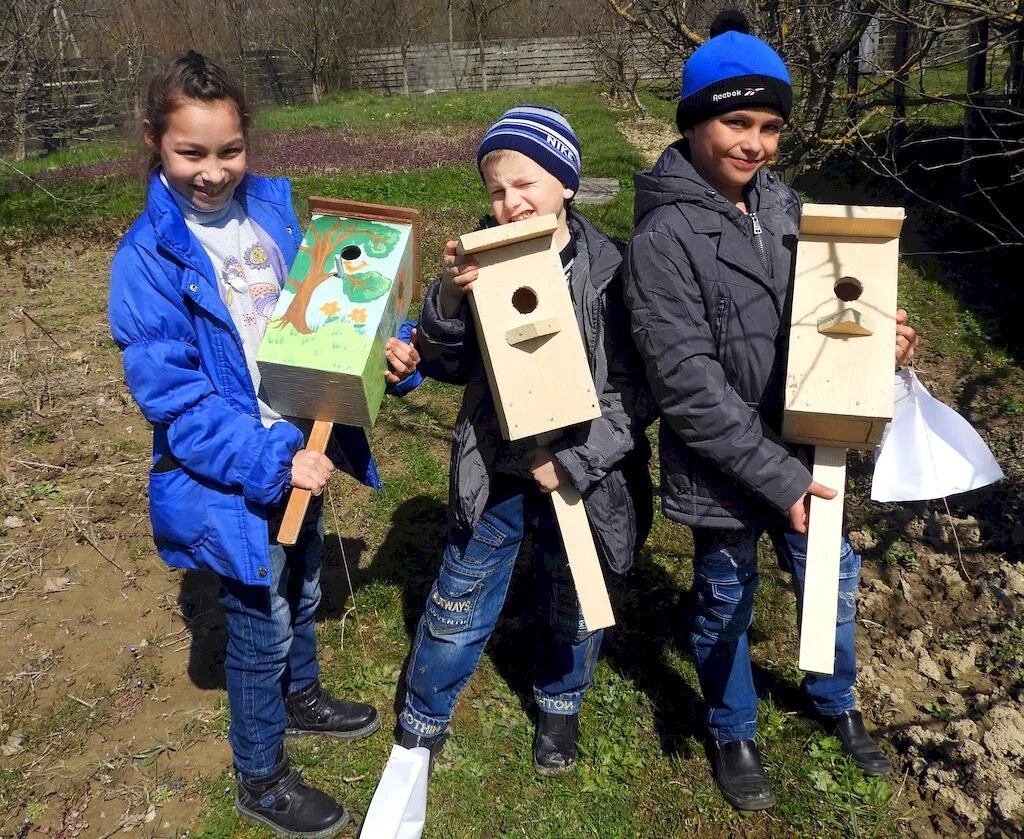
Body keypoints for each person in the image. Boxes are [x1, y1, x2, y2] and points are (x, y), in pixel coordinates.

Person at [107, 51, 420, 838]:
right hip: (231, 474)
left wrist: (386, 356)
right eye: (190, 152)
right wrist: (270, 461)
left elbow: (335, 310)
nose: (213, 172)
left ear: (249, 140)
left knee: (306, 581)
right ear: (153, 140)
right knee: (258, 623)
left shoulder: (277, 216)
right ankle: (262, 773)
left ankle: (301, 694)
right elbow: (176, 405)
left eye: (229, 150)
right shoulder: (147, 262)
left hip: (298, 448)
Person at [622, 13, 919, 811]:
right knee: (725, 594)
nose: (755, 143)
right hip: (723, 463)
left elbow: (831, 307)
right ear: (693, 124)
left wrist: (875, 334)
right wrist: (774, 478)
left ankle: (836, 700)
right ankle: (731, 723)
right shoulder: (663, 238)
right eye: (736, 122)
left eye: (771, 127)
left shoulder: (788, 208)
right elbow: (688, 386)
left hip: (806, 439)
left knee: (832, 576)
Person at [396, 106, 653, 775]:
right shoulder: (478, 262)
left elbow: (635, 388)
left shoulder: (612, 272)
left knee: (575, 596)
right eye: (496, 190)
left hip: (580, 471)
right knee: (461, 593)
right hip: (498, 464)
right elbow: (445, 362)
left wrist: (572, 459)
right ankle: (423, 714)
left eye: (526, 184)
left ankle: (560, 704)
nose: (510, 202)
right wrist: (450, 303)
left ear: (566, 182)